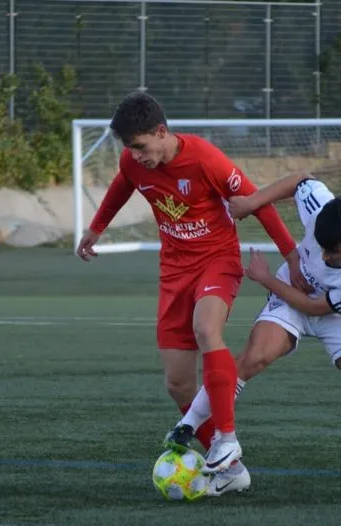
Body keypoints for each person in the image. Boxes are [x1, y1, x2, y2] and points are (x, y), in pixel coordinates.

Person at [76, 92, 307, 472]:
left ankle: (228, 438)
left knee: (206, 329)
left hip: (217, 261)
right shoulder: (133, 162)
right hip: (174, 270)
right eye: (129, 149)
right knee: (178, 383)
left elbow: (256, 202)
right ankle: (230, 467)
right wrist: (97, 228)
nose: (135, 155)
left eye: (140, 146)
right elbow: (124, 182)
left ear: (162, 132)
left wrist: (292, 256)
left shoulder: (204, 159)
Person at [165, 171, 341, 500]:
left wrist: (265, 278)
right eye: (319, 246)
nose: (322, 256)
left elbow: (315, 307)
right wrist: (252, 201)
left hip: (337, 316)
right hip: (289, 298)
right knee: (253, 357)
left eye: (332, 252)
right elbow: (300, 180)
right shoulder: (321, 205)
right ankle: (186, 426)